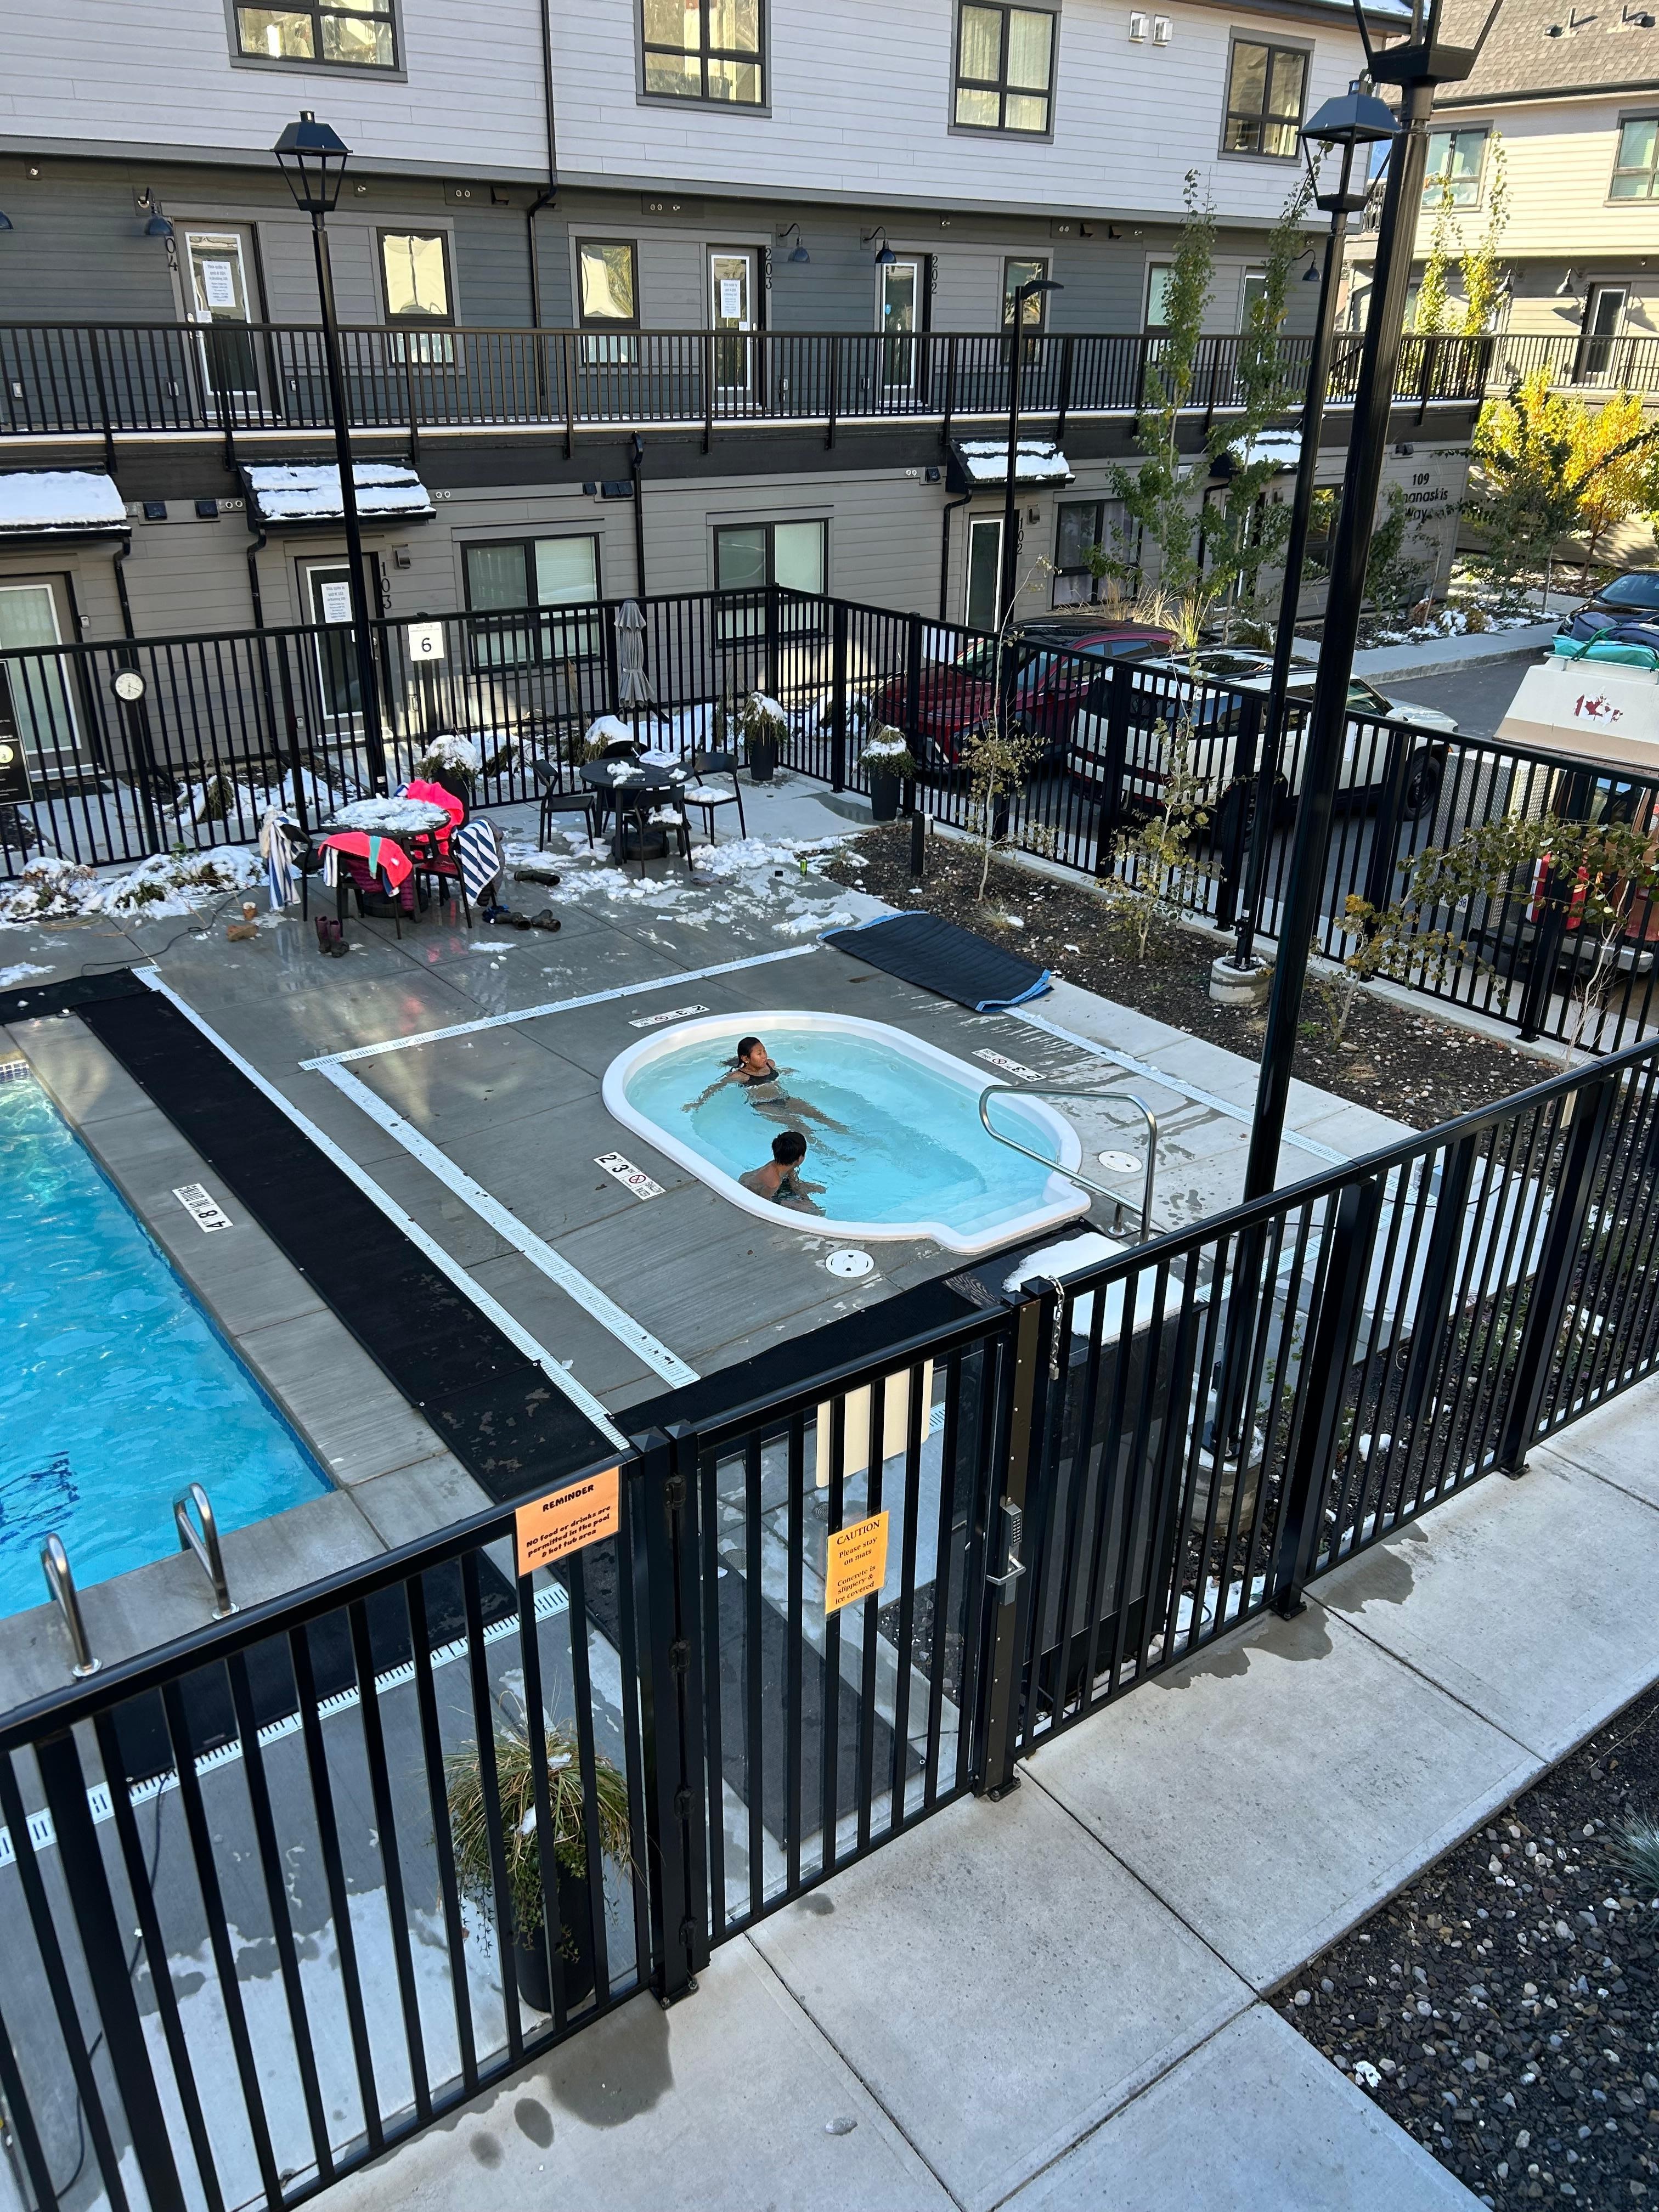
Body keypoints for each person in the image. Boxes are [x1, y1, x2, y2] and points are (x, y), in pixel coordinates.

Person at [685, 1035, 848, 1133]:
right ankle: (827, 1153)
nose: (764, 1056)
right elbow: (715, 1088)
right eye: (759, 1053)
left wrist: (792, 1072)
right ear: (745, 1058)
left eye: (764, 1051)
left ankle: (849, 1135)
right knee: (802, 1128)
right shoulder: (740, 1076)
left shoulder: (770, 1064)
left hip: (785, 1099)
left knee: (821, 1116)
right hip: (765, 1105)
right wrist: (697, 1103)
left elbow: (782, 1070)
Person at [738, 1131, 825, 1215]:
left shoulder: (786, 1164)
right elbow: (763, 1203)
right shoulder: (774, 1182)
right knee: (812, 1211)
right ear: (799, 1159)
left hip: (766, 1186)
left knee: (811, 1205)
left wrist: (805, 1196)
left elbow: (794, 1183)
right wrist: (789, 1204)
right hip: (750, 1190)